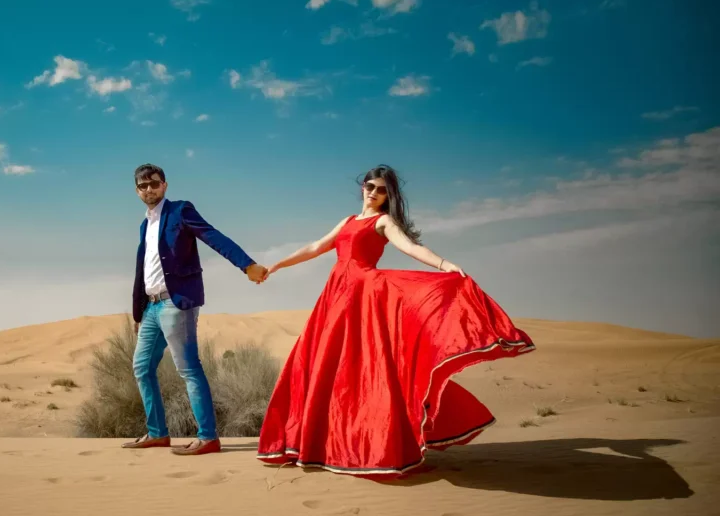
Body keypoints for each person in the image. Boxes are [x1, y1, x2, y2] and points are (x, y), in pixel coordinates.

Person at [255, 164, 535, 478]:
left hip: (364, 295)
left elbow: (410, 247)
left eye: (381, 190)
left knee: (367, 368)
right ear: (362, 187)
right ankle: (322, 444)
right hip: (335, 298)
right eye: (370, 186)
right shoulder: (347, 221)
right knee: (326, 366)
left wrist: (444, 264)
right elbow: (316, 247)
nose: (374, 193)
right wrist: (277, 265)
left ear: (388, 196)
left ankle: (372, 444)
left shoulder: (383, 221)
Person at [123, 163, 268, 456]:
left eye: (154, 183)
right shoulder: (145, 224)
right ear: (137, 191)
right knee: (142, 368)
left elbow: (213, 236)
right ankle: (157, 433)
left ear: (164, 185)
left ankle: (208, 437)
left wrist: (247, 265)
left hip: (176, 302)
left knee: (188, 368)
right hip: (151, 306)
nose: (149, 189)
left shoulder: (180, 211)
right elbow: (143, 270)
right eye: (143, 186)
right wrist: (139, 312)